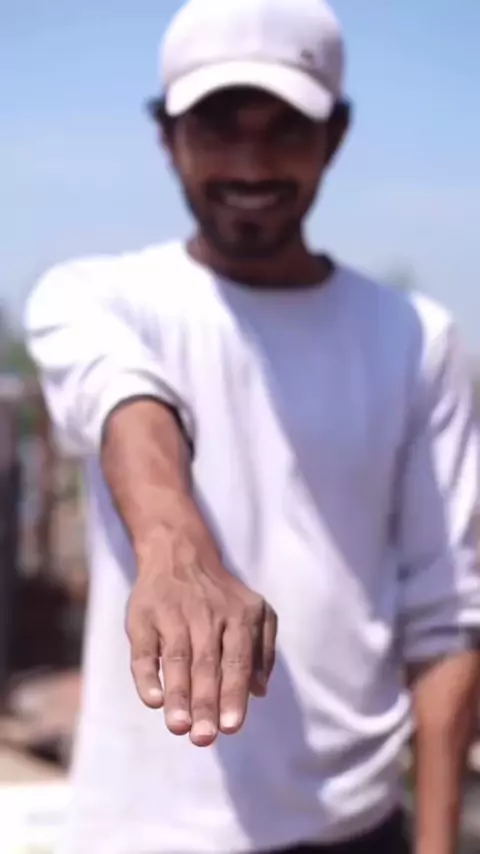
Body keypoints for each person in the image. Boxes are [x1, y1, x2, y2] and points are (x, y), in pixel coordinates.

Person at [24, 0, 480, 852]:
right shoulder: (95, 297)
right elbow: (127, 401)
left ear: (334, 138)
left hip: (356, 825)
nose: (251, 162)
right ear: (168, 139)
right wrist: (177, 550)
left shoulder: (416, 339)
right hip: (143, 833)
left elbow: (447, 615)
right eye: (218, 127)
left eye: (285, 130)